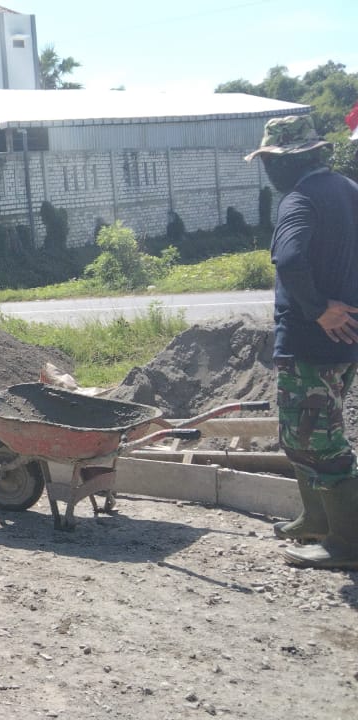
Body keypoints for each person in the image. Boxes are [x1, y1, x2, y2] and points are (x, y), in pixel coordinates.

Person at [246, 115, 358, 569]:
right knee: (303, 435)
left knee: (318, 441)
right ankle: (315, 519)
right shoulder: (348, 190)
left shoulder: (300, 199)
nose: (268, 170)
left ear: (287, 160)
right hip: (344, 342)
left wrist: (318, 309)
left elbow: (289, 259)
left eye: (270, 160)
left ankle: (345, 545)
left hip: (312, 344)